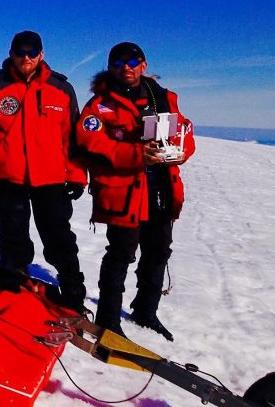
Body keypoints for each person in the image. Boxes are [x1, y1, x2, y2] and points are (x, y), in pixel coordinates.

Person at [76, 42, 195, 340]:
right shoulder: (101, 104)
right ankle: (108, 320)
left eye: (132, 61)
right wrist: (134, 154)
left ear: (143, 64)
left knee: (157, 253)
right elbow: (89, 141)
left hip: (161, 190)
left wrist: (183, 152)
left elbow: (185, 130)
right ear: (110, 67)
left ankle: (146, 311)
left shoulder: (163, 98)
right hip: (124, 192)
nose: (125, 67)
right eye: (118, 62)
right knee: (120, 254)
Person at [0, 31, 88, 311]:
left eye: (32, 52)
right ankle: (14, 289)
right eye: (20, 52)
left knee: (59, 238)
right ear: (11, 53)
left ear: (42, 55)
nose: (26, 58)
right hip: (9, 179)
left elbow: (73, 138)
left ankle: (72, 293)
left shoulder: (61, 89)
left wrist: (78, 175)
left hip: (51, 180)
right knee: (13, 238)